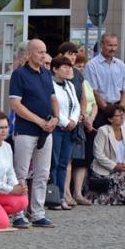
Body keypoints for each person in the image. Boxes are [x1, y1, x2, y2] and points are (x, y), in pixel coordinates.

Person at [9, 39, 59, 229]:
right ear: (29, 54)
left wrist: (56, 117)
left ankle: (38, 213)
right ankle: (18, 212)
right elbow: (16, 104)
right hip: (26, 131)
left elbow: (53, 98)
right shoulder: (19, 75)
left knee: (42, 173)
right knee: (21, 172)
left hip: (46, 131)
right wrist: (38, 121)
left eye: (44, 52)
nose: (43, 55)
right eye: (39, 52)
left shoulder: (46, 73)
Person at [89, 104, 125, 205]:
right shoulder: (103, 131)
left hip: (120, 169)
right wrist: (114, 166)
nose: (122, 117)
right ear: (110, 119)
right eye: (119, 115)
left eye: (123, 115)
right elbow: (98, 154)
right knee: (124, 179)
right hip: (104, 170)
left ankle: (122, 197)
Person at [49, 56, 80, 211]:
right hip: (57, 128)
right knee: (54, 163)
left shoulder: (70, 85)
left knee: (63, 163)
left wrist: (73, 120)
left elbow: (76, 105)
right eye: (64, 67)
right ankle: (52, 197)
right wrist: (65, 121)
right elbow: (53, 106)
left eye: (69, 67)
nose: (68, 70)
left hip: (69, 130)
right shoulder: (50, 85)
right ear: (55, 69)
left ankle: (61, 196)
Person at [85, 33, 125, 129]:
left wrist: (120, 110)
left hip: (118, 108)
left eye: (115, 45)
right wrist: (108, 111)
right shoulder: (92, 65)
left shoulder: (121, 65)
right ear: (101, 45)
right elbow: (94, 92)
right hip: (101, 110)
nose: (113, 48)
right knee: (102, 137)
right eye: (110, 45)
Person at [69, 53, 96, 206]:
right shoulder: (72, 81)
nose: (81, 68)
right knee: (72, 159)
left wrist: (91, 118)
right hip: (77, 122)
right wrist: (83, 117)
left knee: (84, 160)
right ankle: (68, 192)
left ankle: (78, 192)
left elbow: (93, 103)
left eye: (83, 66)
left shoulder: (85, 82)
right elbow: (77, 102)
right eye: (78, 66)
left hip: (88, 123)